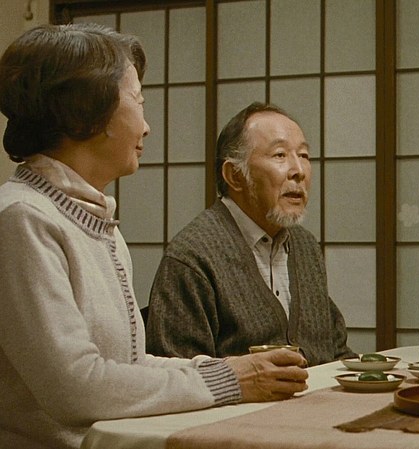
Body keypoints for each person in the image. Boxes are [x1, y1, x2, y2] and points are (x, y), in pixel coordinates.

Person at [0, 24, 308, 449]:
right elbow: (76, 386)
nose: (145, 127)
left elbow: (128, 367)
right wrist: (230, 380)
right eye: (137, 101)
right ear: (87, 113)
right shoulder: (22, 217)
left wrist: (230, 369)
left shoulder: (95, 220)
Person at [145, 102, 355, 366]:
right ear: (234, 176)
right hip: (234, 396)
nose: (299, 171)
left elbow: (336, 351)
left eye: (303, 155)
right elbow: (178, 375)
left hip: (319, 393)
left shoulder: (305, 245)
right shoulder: (192, 257)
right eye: (280, 155)